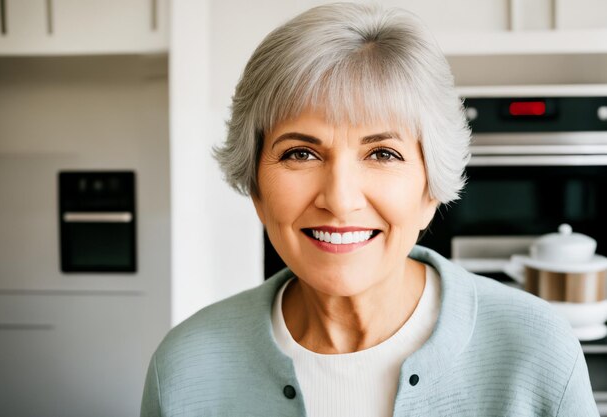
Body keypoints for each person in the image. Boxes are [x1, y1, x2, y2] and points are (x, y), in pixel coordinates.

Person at [141, 3, 599, 416]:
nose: (340, 199)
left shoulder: (539, 352)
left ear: (431, 190)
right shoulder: (185, 369)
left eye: (382, 153)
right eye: (300, 153)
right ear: (256, 186)